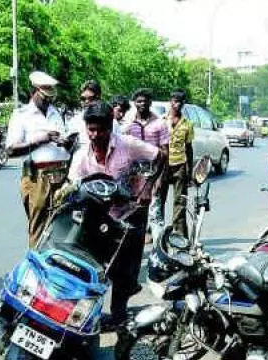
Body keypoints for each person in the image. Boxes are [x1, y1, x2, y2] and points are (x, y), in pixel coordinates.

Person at [65, 102, 160, 330]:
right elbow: (72, 187)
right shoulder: (81, 156)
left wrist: (148, 187)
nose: (95, 135)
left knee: (124, 272)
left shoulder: (127, 144)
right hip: (97, 218)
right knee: (89, 266)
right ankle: (81, 315)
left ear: (110, 128)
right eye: (91, 130)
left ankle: (118, 315)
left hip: (129, 215)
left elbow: (159, 155)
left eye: (100, 130)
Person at [5, 71, 71, 248]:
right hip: (38, 177)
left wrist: (66, 143)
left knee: (61, 225)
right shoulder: (22, 115)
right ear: (33, 91)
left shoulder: (55, 113)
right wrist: (43, 139)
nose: (48, 99)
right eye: (44, 95)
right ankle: (35, 267)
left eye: (51, 95)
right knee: (39, 226)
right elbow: (11, 150)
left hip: (61, 174)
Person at [123, 88, 169, 243]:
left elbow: (164, 153)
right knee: (131, 212)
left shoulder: (160, 124)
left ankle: (159, 252)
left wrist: (157, 179)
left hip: (153, 170)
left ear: (150, 103)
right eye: (139, 101)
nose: (142, 104)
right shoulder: (130, 124)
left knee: (155, 213)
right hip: (133, 173)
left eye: (145, 101)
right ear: (135, 103)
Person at [154, 90, 194, 238]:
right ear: (170, 101)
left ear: (183, 104)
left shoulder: (187, 124)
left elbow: (189, 148)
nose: (176, 104)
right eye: (174, 101)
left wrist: (189, 171)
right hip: (163, 165)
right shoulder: (161, 121)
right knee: (159, 199)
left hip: (180, 164)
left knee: (180, 201)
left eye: (179, 102)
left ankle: (179, 234)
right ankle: (156, 232)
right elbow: (156, 145)